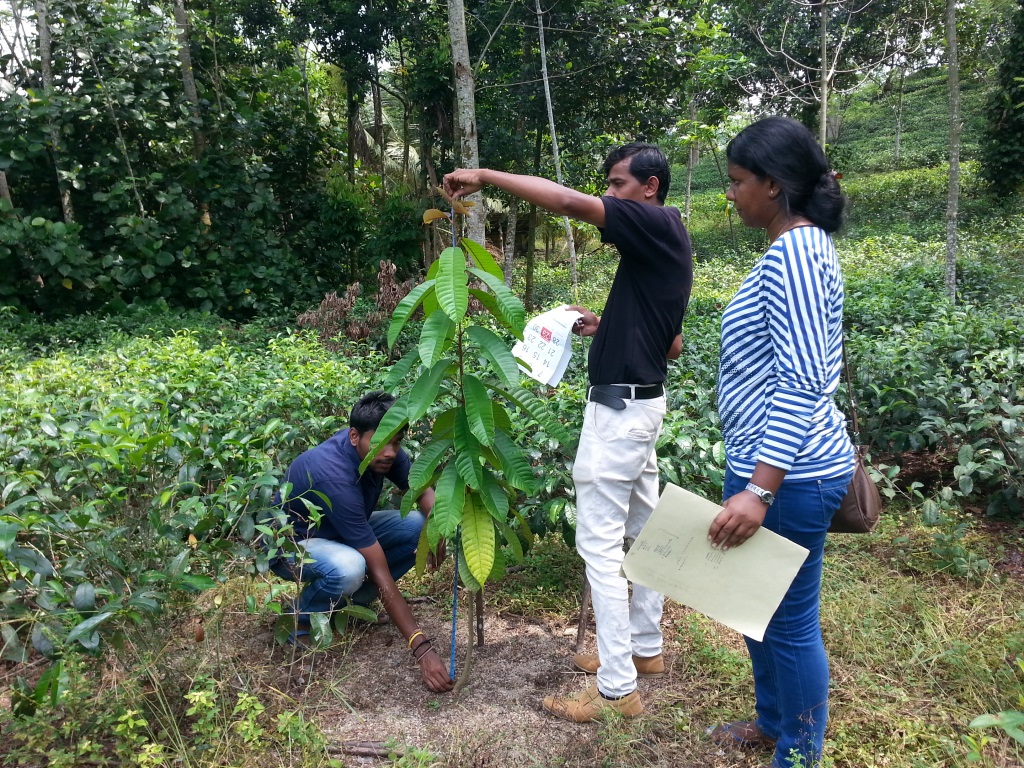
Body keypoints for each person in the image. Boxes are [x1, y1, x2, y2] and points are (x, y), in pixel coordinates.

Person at [443, 143, 693, 722]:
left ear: (650, 187)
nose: (609, 195)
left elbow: (567, 202)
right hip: (641, 406)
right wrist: (607, 327)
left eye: (618, 184)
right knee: (646, 528)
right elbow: (672, 344)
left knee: (599, 546)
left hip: (619, 414)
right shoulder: (666, 243)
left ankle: (615, 689)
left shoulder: (652, 220)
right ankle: (644, 649)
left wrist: (485, 173)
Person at [705, 116, 855, 768]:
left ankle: (798, 754)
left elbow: (801, 385)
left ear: (774, 184)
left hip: (788, 478)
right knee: (754, 609)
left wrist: (759, 491)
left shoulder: (795, 255)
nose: (731, 194)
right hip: (769, 468)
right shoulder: (794, 247)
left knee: (789, 625)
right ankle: (772, 724)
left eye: (738, 182)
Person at [270, 390, 453, 693]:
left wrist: (437, 531)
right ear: (354, 437)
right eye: (383, 442)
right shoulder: (334, 475)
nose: (391, 452)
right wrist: (420, 647)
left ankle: (351, 606)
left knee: (419, 527)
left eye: (397, 442)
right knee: (351, 567)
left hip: (338, 532)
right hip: (291, 545)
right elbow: (378, 569)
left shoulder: (383, 448)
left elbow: (421, 491)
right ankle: (300, 617)